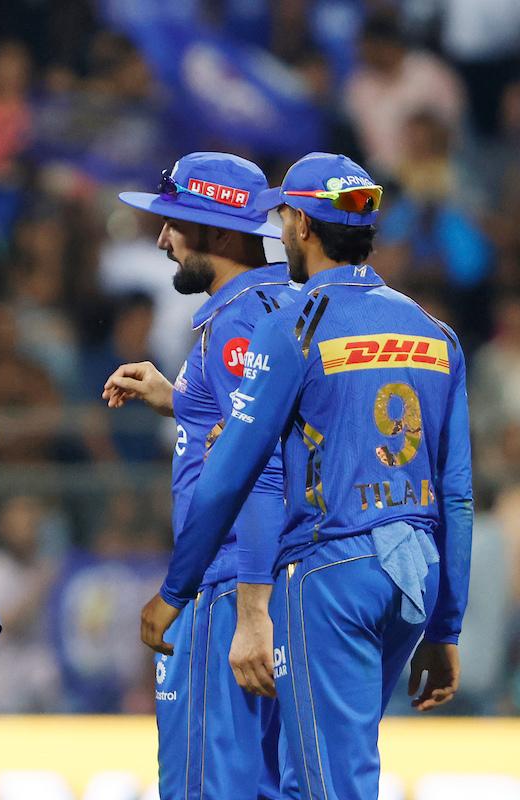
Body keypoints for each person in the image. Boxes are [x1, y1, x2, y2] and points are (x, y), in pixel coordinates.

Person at [140, 152, 472, 800]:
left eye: (285, 216)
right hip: (414, 574)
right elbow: (456, 495)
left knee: (323, 785)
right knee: (307, 772)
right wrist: (445, 628)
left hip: (329, 574)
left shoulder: (291, 324)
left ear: (301, 226)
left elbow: (232, 474)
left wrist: (176, 591)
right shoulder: (434, 332)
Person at [104, 152, 294, 799]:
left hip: (229, 584)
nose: (161, 240)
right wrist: (182, 400)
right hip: (276, 578)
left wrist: (250, 610)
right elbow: (264, 426)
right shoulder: (282, 303)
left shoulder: (239, 322)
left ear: (217, 232)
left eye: (173, 225)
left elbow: (260, 466)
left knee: (205, 784)